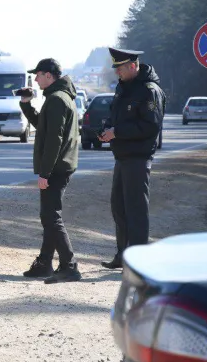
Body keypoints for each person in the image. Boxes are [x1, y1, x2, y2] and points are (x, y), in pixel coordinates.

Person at [98, 47, 164, 269]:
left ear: (133, 66)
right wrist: (107, 128)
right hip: (123, 157)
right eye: (116, 69)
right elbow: (116, 116)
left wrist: (117, 132)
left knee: (136, 210)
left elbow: (150, 126)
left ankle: (138, 263)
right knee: (119, 207)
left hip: (138, 157)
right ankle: (123, 255)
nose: (117, 73)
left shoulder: (149, 90)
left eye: (120, 68)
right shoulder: (124, 87)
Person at [18, 58, 82, 284]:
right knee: (49, 216)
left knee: (51, 217)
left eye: (38, 74)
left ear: (49, 75)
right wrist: (26, 104)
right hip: (61, 165)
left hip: (57, 167)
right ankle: (45, 263)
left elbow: (54, 139)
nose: (35, 79)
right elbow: (44, 127)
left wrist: (45, 173)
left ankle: (69, 265)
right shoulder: (58, 97)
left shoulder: (56, 99)